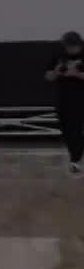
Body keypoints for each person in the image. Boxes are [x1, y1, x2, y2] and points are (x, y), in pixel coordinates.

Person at [49, 31, 84, 176]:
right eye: (67, 47)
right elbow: (48, 76)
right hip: (62, 98)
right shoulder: (59, 54)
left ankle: (75, 160)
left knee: (76, 128)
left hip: (80, 98)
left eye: (72, 47)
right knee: (66, 128)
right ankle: (75, 156)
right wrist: (56, 72)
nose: (70, 50)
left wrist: (77, 74)